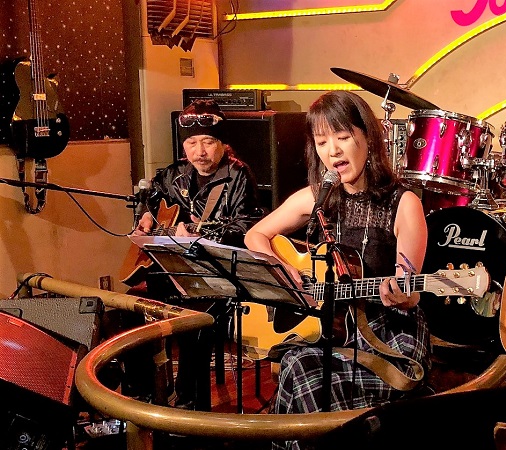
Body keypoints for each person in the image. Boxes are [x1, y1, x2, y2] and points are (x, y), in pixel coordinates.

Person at [244, 91, 430, 449]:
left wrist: (404, 295)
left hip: (388, 335)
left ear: (369, 138)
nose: (333, 151)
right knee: (299, 364)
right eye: (322, 142)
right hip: (330, 330)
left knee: (300, 371)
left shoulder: (404, 203)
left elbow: (407, 284)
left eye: (343, 137)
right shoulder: (318, 197)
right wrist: (281, 269)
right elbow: (256, 235)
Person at [125, 98, 265, 410]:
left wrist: (201, 236)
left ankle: (191, 406)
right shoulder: (175, 174)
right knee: (129, 306)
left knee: (194, 326)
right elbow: (149, 194)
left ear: (222, 144)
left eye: (208, 142)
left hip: (217, 273)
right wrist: (145, 213)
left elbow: (247, 225)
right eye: (191, 143)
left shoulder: (238, 175)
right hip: (174, 269)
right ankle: (143, 394)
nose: (199, 151)